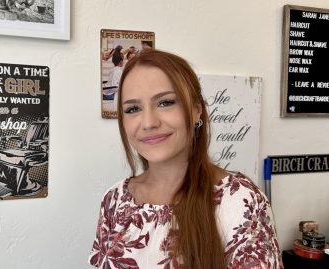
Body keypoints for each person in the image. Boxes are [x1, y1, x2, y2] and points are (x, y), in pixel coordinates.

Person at [89, 50, 283, 269]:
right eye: (133, 109)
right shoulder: (115, 200)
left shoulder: (242, 202)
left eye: (165, 102)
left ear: (196, 111)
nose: (148, 122)